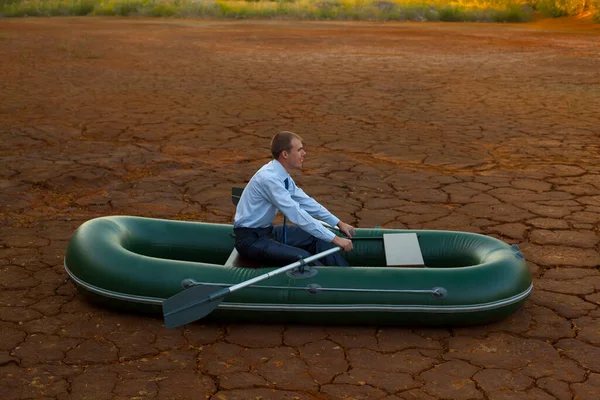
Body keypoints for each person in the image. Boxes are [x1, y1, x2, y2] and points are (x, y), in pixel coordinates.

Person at [233, 131, 355, 267]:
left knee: (316, 238)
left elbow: (305, 202)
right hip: (251, 240)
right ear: (285, 154)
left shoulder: (280, 174)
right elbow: (296, 214)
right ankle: (334, 283)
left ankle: (346, 274)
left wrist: (338, 222)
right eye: (299, 150)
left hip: (267, 232)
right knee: (304, 258)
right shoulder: (269, 179)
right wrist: (336, 239)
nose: (304, 153)